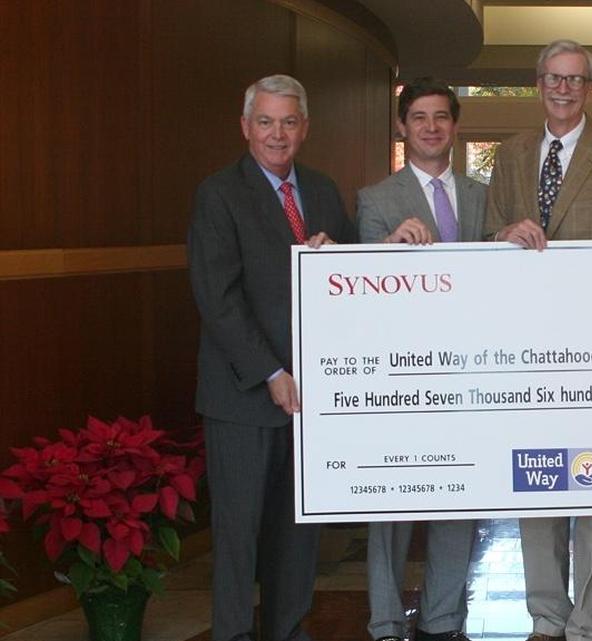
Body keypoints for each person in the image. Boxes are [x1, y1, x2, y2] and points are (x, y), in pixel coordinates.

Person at [484, 39, 592, 641]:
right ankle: (546, 617)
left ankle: (586, 619)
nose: (564, 89)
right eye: (554, 78)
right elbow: (485, 240)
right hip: (526, 352)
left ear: (590, 89)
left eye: (575, 80)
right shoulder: (511, 154)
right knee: (535, 481)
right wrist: (504, 231)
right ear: (538, 84)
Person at [188, 74, 356, 641]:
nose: (277, 134)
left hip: (311, 398)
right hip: (243, 396)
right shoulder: (218, 194)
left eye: (288, 122)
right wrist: (272, 372)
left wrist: (339, 262)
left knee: (296, 532)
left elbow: (354, 284)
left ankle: (288, 631)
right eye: (265, 122)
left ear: (304, 128)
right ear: (245, 127)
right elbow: (219, 299)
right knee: (238, 539)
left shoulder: (325, 190)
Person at [356, 77, 483, 641]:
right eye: (419, 117)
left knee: (461, 494)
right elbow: (358, 290)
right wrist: (384, 251)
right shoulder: (375, 200)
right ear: (402, 127)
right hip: (401, 376)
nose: (431, 127)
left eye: (441, 117)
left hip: (469, 371)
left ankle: (443, 617)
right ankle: (384, 620)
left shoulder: (483, 196)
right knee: (392, 503)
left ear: (455, 127)